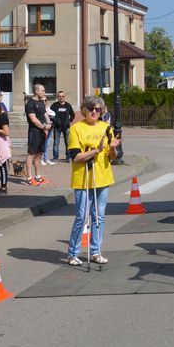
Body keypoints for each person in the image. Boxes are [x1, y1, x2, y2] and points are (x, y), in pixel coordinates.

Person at [66, 96, 121, 266]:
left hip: (103, 177)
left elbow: (112, 157)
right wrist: (96, 150)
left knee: (99, 217)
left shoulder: (106, 128)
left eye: (98, 109)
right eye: (91, 109)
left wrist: (113, 149)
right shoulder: (76, 129)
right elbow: (76, 157)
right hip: (83, 178)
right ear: (84, 110)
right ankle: (73, 253)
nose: (95, 112)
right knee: (82, 217)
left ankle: (96, 251)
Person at [24, 84, 51, 186]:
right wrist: (43, 127)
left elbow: (45, 114)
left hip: (42, 132)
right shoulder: (30, 103)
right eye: (42, 90)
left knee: (39, 155)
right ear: (36, 91)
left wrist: (49, 124)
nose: (44, 92)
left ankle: (38, 176)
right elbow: (33, 119)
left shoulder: (41, 102)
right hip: (34, 132)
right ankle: (29, 178)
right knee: (31, 154)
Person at [50, 90, 75, 162]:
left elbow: (72, 115)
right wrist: (53, 122)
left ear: (64, 97)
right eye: (59, 96)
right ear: (57, 97)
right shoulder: (54, 105)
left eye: (62, 96)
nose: (61, 98)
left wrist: (69, 121)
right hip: (57, 127)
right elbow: (50, 114)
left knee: (68, 143)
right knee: (56, 143)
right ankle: (55, 157)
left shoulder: (68, 105)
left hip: (66, 127)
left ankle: (68, 157)